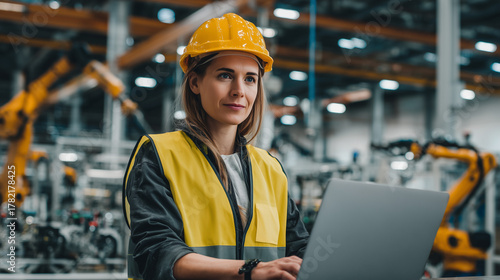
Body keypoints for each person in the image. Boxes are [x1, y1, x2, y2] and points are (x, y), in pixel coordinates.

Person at [123, 13, 309, 280]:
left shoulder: (270, 168)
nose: (239, 91)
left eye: (250, 79)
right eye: (225, 75)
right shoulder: (159, 155)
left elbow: (299, 249)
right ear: (196, 82)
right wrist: (249, 271)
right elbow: (158, 252)